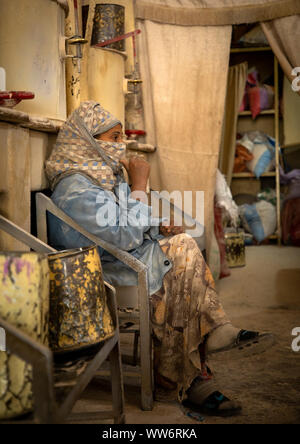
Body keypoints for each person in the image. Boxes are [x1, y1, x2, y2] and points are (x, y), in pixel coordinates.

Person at [46, 101, 274, 417]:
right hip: (101, 272)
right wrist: (139, 186)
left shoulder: (100, 176)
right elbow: (122, 235)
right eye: (113, 138)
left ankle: (191, 371)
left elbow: (126, 222)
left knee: (184, 247)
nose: (120, 146)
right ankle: (196, 366)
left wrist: (157, 225)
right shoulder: (76, 186)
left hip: (123, 259)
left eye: (121, 137)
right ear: (87, 140)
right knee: (182, 253)